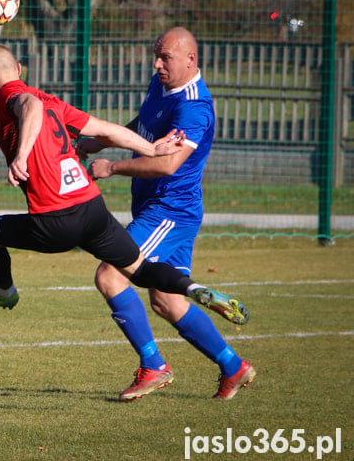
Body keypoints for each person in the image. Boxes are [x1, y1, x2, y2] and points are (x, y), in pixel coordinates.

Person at [0, 44, 249, 395]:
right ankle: (198, 297)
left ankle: (3, 291)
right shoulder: (53, 100)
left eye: (164, 57)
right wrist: (151, 146)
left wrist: (20, 156)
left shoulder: (8, 96)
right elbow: (107, 129)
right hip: (93, 209)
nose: (157, 64)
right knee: (147, 280)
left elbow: (28, 107)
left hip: (67, 220)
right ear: (20, 67)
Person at [77, 27, 255, 401]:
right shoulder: (162, 84)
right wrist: (99, 140)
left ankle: (154, 365)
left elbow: (168, 165)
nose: (156, 65)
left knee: (111, 274)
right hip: (157, 208)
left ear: (191, 59)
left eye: (165, 58)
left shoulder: (194, 107)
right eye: (155, 56)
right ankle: (233, 366)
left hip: (170, 211)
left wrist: (112, 167)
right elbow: (144, 126)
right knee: (166, 300)